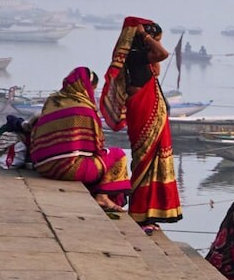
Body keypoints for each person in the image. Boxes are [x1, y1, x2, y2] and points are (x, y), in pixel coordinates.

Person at [100, 17, 182, 230]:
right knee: (144, 160)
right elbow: (163, 54)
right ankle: (139, 212)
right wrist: (144, 34)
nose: (155, 41)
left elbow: (158, 58)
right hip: (143, 110)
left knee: (154, 159)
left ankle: (149, 213)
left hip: (152, 110)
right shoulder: (135, 55)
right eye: (154, 38)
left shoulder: (143, 58)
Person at [26, 67, 129, 212]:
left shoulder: (52, 100)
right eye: (93, 89)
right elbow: (96, 146)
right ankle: (102, 197)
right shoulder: (84, 109)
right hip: (67, 169)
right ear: (87, 87)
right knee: (118, 155)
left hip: (43, 167)